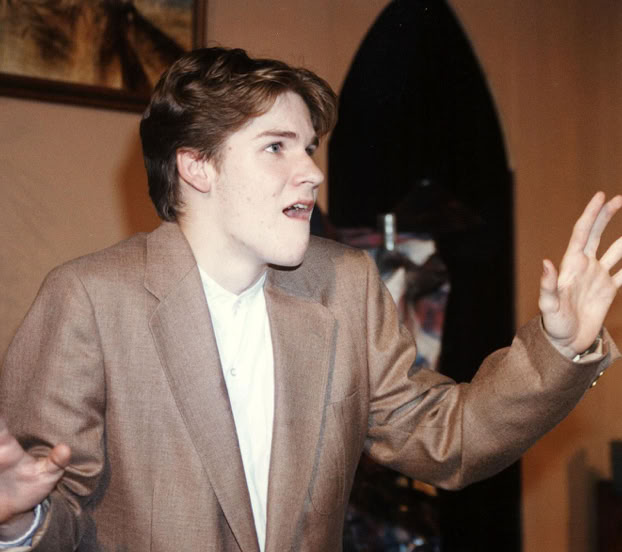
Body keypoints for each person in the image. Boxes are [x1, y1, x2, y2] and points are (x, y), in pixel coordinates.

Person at [0, 47, 620, 551]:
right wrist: (19, 519)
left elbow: (447, 437)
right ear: (197, 167)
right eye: (277, 147)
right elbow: (55, 512)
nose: (312, 171)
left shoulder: (345, 285)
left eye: (309, 147)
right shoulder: (89, 300)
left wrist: (559, 347)